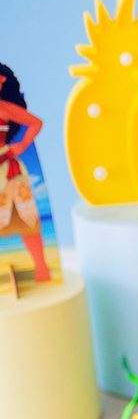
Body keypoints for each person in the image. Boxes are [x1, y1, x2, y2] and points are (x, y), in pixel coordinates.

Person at [0, 64, 49, 283]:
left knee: (25, 220)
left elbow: (35, 123)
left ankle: (41, 268)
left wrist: (22, 145)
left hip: (7, 171)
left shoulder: (5, 108)